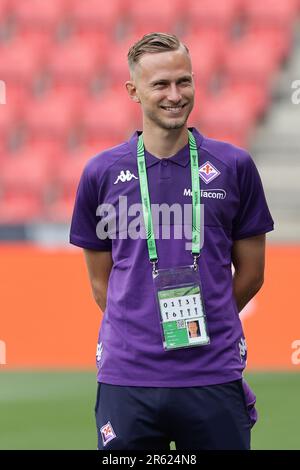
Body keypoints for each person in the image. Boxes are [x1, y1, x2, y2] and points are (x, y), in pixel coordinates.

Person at [70, 32, 274, 450]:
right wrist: (143, 326)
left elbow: (252, 273)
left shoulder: (234, 166)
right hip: (128, 376)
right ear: (134, 91)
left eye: (184, 81)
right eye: (160, 84)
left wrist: (208, 318)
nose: (175, 95)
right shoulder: (100, 173)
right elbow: (98, 282)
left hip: (212, 373)